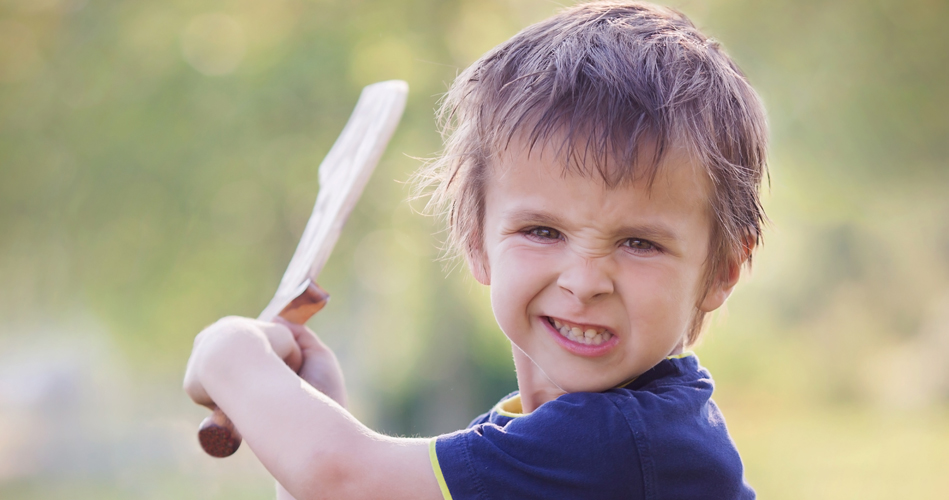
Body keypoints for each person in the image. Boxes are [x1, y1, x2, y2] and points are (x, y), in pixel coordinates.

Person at [184, 1, 768, 498]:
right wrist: (313, 405)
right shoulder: (537, 442)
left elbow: (339, 476)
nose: (585, 280)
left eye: (638, 243)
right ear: (474, 238)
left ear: (720, 271)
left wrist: (227, 351)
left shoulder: (625, 442)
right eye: (543, 231)